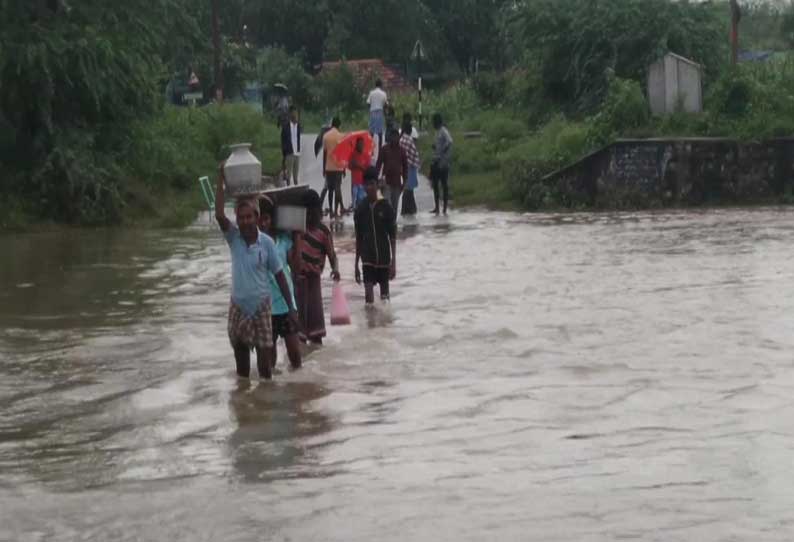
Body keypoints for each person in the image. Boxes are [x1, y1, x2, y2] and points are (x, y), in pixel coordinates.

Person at [214, 165, 298, 380]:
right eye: (241, 218)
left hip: (261, 309)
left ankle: (264, 409)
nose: (245, 221)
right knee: (242, 374)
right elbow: (219, 215)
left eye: (249, 217)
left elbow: (280, 275)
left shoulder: (267, 243)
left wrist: (291, 308)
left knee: (265, 373)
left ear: (257, 217)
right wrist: (220, 180)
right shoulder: (234, 239)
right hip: (238, 308)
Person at [258, 198, 302, 370]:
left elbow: (297, 268)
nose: (262, 223)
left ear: (272, 219)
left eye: (266, 218)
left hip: (285, 305)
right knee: (270, 361)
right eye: (259, 219)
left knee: (295, 355)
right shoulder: (254, 243)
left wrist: (297, 236)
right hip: (265, 308)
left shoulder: (284, 241)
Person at [295, 190, 341, 344]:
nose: (309, 216)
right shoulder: (296, 230)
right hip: (297, 281)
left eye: (312, 212)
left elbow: (332, 255)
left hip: (314, 282)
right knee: (297, 331)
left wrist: (336, 269)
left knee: (316, 331)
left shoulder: (323, 232)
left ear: (318, 211)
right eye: (306, 212)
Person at [355, 168, 397, 304]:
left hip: (384, 258)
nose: (368, 188)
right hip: (367, 258)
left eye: (371, 184)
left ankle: (385, 324)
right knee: (369, 299)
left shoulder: (386, 207)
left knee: (385, 299)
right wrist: (356, 264)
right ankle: (371, 323)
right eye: (366, 185)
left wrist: (393, 262)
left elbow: (392, 236)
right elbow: (358, 238)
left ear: (377, 184)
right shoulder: (361, 209)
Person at [376, 128, 407, 216]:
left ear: (399, 138)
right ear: (390, 137)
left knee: (395, 206)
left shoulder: (402, 151)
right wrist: (376, 179)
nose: (394, 139)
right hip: (386, 182)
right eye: (392, 137)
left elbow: (405, 167)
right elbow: (378, 165)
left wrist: (404, 182)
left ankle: (393, 224)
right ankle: (387, 224)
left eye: (396, 137)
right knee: (387, 205)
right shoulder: (384, 149)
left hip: (397, 183)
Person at [322, 116, 346, 218]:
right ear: (339, 125)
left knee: (330, 189)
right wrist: (344, 168)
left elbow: (324, 153)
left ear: (332, 124)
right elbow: (343, 154)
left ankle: (331, 210)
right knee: (337, 188)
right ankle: (336, 210)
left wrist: (323, 168)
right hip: (338, 167)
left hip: (329, 167)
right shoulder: (341, 136)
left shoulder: (326, 136)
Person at [430, 113, 453, 216]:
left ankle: (444, 208)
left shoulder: (443, 131)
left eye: (434, 122)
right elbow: (439, 144)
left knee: (444, 185)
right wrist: (435, 147)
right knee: (435, 185)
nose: (433, 124)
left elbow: (449, 142)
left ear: (437, 122)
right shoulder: (437, 132)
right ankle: (437, 207)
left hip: (442, 163)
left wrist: (443, 152)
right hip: (436, 160)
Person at [399, 117, 420, 216]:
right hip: (410, 167)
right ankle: (406, 209)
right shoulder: (409, 140)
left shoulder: (401, 139)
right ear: (410, 130)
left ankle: (411, 209)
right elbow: (414, 154)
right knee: (408, 189)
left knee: (408, 188)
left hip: (404, 167)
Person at [280, 106, 301, 186]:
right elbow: (283, 141)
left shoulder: (298, 126)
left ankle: (297, 188)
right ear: (291, 115)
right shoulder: (285, 127)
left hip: (297, 153)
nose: (296, 115)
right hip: (289, 153)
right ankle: (288, 188)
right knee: (289, 175)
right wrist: (284, 154)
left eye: (297, 114)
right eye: (294, 113)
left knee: (296, 176)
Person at [367, 79, 388, 151]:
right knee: (380, 132)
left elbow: (368, 103)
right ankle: (380, 148)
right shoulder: (383, 93)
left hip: (372, 112)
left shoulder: (371, 93)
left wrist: (370, 110)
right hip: (380, 112)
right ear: (381, 85)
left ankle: (370, 148)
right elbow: (386, 104)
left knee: (371, 132)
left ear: (375, 85)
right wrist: (385, 113)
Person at [348, 136, 369, 209]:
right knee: (355, 202)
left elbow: (368, 170)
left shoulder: (366, 155)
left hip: (363, 182)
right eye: (359, 144)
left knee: (361, 201)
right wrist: (353, 164)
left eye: (362, 144)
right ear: (356, 144)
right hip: (354, 182)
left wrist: (359, 166)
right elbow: (349, 166)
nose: (361, 145)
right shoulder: (352, 154)